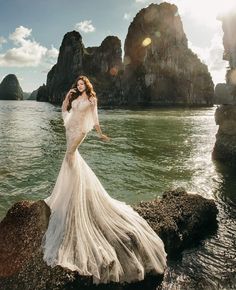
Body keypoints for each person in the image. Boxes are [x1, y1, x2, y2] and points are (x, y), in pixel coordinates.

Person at [41, 75, 167, 285]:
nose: (80, 86)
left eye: (82, 84)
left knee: (71, 156)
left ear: (87, 85)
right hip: (70, 129)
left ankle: (74, 191)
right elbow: (67, 112)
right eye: (78, 84)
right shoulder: (75, 97)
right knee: (70, 159)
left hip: (80, 131)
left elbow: (95, 117)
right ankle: (71, 192)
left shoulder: (91, 99)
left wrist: (99, 133)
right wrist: (66, 98)